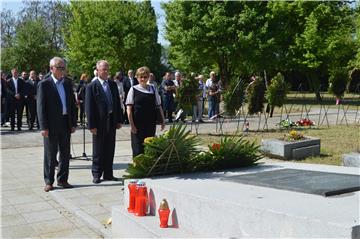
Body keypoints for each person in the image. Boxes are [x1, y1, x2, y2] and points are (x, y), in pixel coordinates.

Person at [37, 57, 77, 192]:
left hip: (65, 122)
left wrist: (73, 123)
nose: (62, 70)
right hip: (51, 125)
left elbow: (72, 105)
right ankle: (49, 181)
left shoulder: (67, 83)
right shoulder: (44, 84)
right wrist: (43, 127)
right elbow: (41, 107)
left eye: (63, 68)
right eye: (59, 68)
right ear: (51, 69)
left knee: (65, 154)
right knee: (50, 154)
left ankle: (63, 179)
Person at [85, 60, 123, 184]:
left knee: (110, 148)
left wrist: (119, 120)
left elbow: (117, 103)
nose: (106, 72)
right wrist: (91, 125)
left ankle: (108, 173)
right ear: (98, 70)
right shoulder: (92, 86)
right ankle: (96, 174)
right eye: (103, 69)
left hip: (111, 120)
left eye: (107, 69)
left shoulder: (112, 84)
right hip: (99, 123)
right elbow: (89, 107)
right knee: (98, 150)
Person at [126, 66, 165, 157]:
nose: (143, 79)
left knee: (150, 148)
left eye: (145, 77)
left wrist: (163, 120)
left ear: (148, 77)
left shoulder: (153, 88)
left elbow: (158, 106)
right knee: (138, 149)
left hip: (150, 124)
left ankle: (148, 170)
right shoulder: (133, 89)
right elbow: (129, 109)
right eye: (141, 77)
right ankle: (138, 168)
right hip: (137, 125)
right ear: (137, 77)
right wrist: (132, 125)